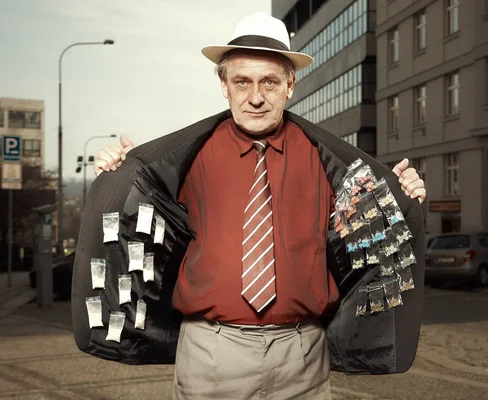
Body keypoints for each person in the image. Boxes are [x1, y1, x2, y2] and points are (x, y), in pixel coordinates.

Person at [73, 12, 426, 400]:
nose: (255, 97)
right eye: (242, 81)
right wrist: (115, 172)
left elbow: (370, 231)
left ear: (290, 85)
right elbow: (135, 207)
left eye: (270, 82)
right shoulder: (184, 160)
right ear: (224, 85)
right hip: (211, 352)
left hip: (303, 353)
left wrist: (404, 193)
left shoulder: (329, 164)